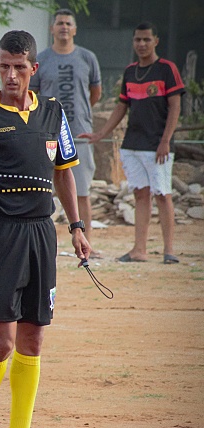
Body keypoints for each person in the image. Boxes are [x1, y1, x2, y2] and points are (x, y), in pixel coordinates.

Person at [0, 30, 90, 428]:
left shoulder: (53, 113)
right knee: (3, 342)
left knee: (33, 338)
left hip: (41, 232)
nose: (11, 74)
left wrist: (76, 226)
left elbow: (65, 173)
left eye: (19, 67)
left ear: (34, 68)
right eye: (4, 66)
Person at [82, 22, 184, 264]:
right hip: (132, 143)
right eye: (138, 39)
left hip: (157, 145)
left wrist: (165, 141)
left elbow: (175, 106)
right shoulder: (130, 71)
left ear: (156, 41)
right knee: (140, 195)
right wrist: (100, 134)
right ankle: (139, 249)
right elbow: (121, 107)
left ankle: (169, 250)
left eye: (146, 39)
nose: (141, 44)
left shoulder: (167, 69)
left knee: (163, 194)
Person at [30, 9, 103, 256]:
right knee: (41, 192)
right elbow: (33, 95)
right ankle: (41, 245)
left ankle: (86, 243)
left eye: (68, 23)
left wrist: (81, 116)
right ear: (52, 29)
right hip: (45, 134)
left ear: (74, 29)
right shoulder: (41, 59)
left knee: (81, 192)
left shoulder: (88, 57)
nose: (63, 27)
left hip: (79, 134)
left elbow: (95, 93)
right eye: (59, 23)